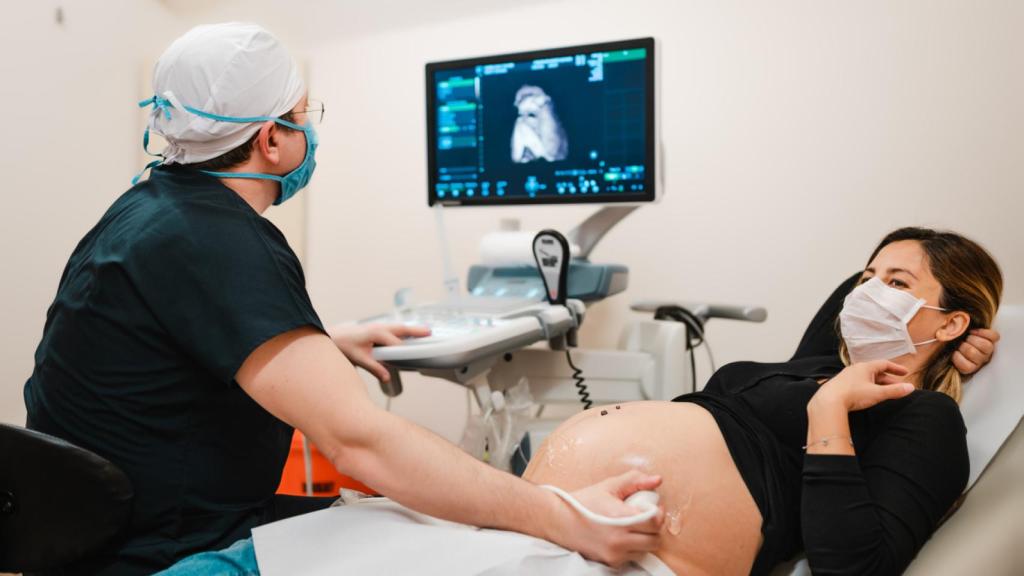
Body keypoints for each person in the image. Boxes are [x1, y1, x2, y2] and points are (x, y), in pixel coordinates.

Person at [23, 23, 663, 575]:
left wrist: (324, 348)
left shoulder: (145, 213)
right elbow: (363, 445)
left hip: (98, 545)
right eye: (304, 116)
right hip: (171, 557)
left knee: (419, 523)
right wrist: (563, 515)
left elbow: (178, 353)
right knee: (496, 545)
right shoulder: (222, 239)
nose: (309, 131)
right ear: (272, 140)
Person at [522, 227, 1003, 575]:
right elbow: (847, 294)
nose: (869, 294)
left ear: (951, 321)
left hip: (641, 551)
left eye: (897, 284)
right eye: (868, 279)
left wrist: (829, 411)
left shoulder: (923, 415)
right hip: (554, 521)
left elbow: (857, 567)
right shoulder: (817, 364)